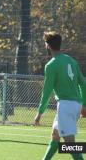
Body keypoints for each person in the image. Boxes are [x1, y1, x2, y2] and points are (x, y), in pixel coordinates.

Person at [34, 31, 86, 160]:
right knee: (55, 136)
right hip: (75, 105)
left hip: (65, 106)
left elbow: (47, 92)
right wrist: (83, 105)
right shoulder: (71, 60)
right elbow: (83, 83)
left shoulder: (51, 65)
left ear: (48, 46)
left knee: (69, 144)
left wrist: (39, 113)